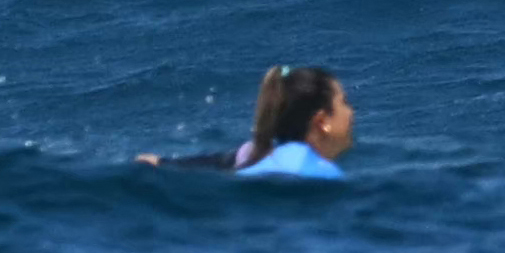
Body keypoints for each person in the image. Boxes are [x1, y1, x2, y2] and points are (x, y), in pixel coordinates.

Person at [136, 64, 354, 180]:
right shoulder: (321, 174)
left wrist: (162, 163)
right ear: (322, 121)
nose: (351, 112)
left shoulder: (253, 154)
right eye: (344, 102)